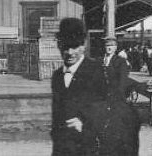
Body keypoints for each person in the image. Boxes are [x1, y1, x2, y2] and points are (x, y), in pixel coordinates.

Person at [51, 17, 105, 156]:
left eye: (74, 46)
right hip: (61, 148)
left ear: (84, 45)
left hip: (87, 147)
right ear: (59, 46)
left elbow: (108, 107)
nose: (69, 52)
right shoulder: (57, 76)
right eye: (65, 47)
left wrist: (85, 126)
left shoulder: (96, 71)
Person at [93, 38, 141, 156]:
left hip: (116, 96)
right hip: (101, 96)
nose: (109, 48)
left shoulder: (120, 61)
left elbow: (122, 81)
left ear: (115, 48)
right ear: (104, 47)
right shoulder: (99, 61)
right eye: (107, 46)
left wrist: (118, 96)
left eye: (112, 46)